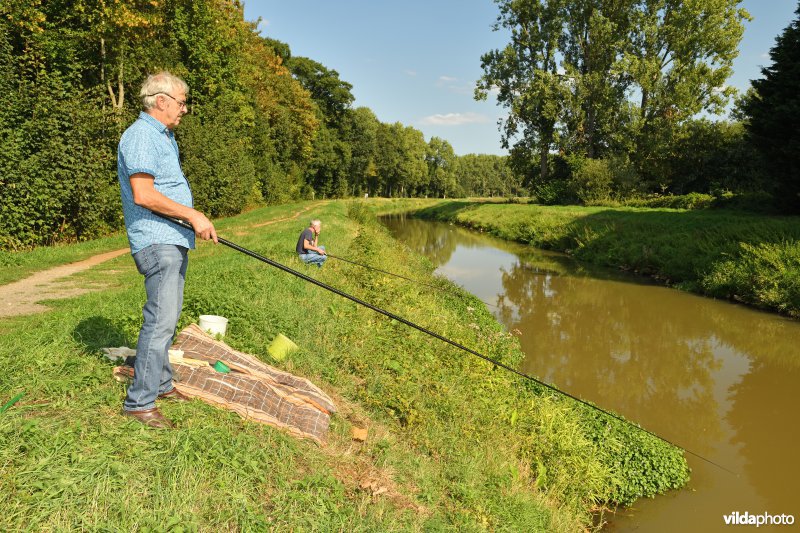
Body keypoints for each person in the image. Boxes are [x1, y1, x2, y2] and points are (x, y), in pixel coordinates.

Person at [117, 71, 218, 429]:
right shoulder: (142, 135)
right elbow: (143, 195)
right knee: (159, 323)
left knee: (167, 319)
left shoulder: (164, 137)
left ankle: (160, 384)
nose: (185, 109)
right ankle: (139, 404)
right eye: (181, 102)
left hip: (170, 239)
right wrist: (192, 214)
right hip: (157, 240)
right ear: (161, 101)